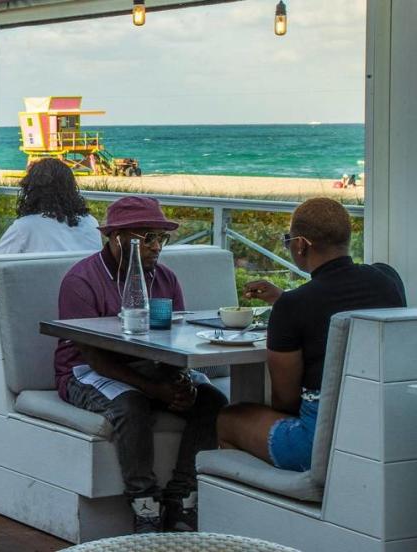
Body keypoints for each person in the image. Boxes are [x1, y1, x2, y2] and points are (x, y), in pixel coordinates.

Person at [54, 196, 227, 533]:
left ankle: (183, 496)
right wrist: (156, 390)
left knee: (211, 400)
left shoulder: (166, 279)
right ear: (117, 237)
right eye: (147, 238)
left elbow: (173, 341)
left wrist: (178, 383)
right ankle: (145, 504)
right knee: (131, 405)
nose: (157, 246)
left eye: (161, 238)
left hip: (152, 366)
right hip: (85, 370)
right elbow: (93, 355)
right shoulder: (82, 280)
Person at [217, 198, 405, 472]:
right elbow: (339, 299)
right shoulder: (388, 280)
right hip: (382, 430)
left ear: (301, 244)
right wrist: (285, 299)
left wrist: (286, 305)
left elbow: (286, 400)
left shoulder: (294, 306)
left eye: (288, 240)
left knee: (229, 417)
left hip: (319, 444)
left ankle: (274, 501)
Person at [0, 158, 102, 254]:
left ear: (32, 190)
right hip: (82, 278)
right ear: (71, 189)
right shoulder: (91, 223)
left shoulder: (25, 227)